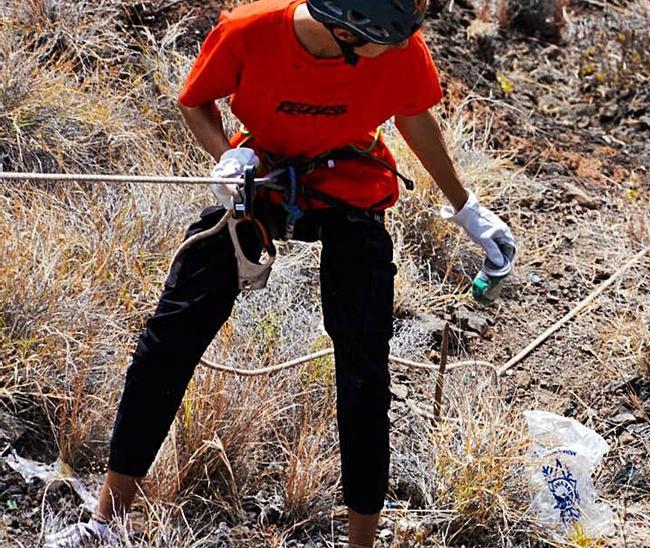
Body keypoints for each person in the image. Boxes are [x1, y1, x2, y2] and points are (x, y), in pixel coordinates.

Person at [43, 0, 515, 546]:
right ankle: (107, 522)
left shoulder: (398, 44)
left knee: (364, 369)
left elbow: (413, 114)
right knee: (169, 337)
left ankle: (361, 541)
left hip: (349, 179)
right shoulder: (248, 30)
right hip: (260, 176)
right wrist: (227, 158)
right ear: (344, 29)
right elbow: (195, 101)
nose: (398, 49)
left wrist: (467, 209)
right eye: (384, 43)